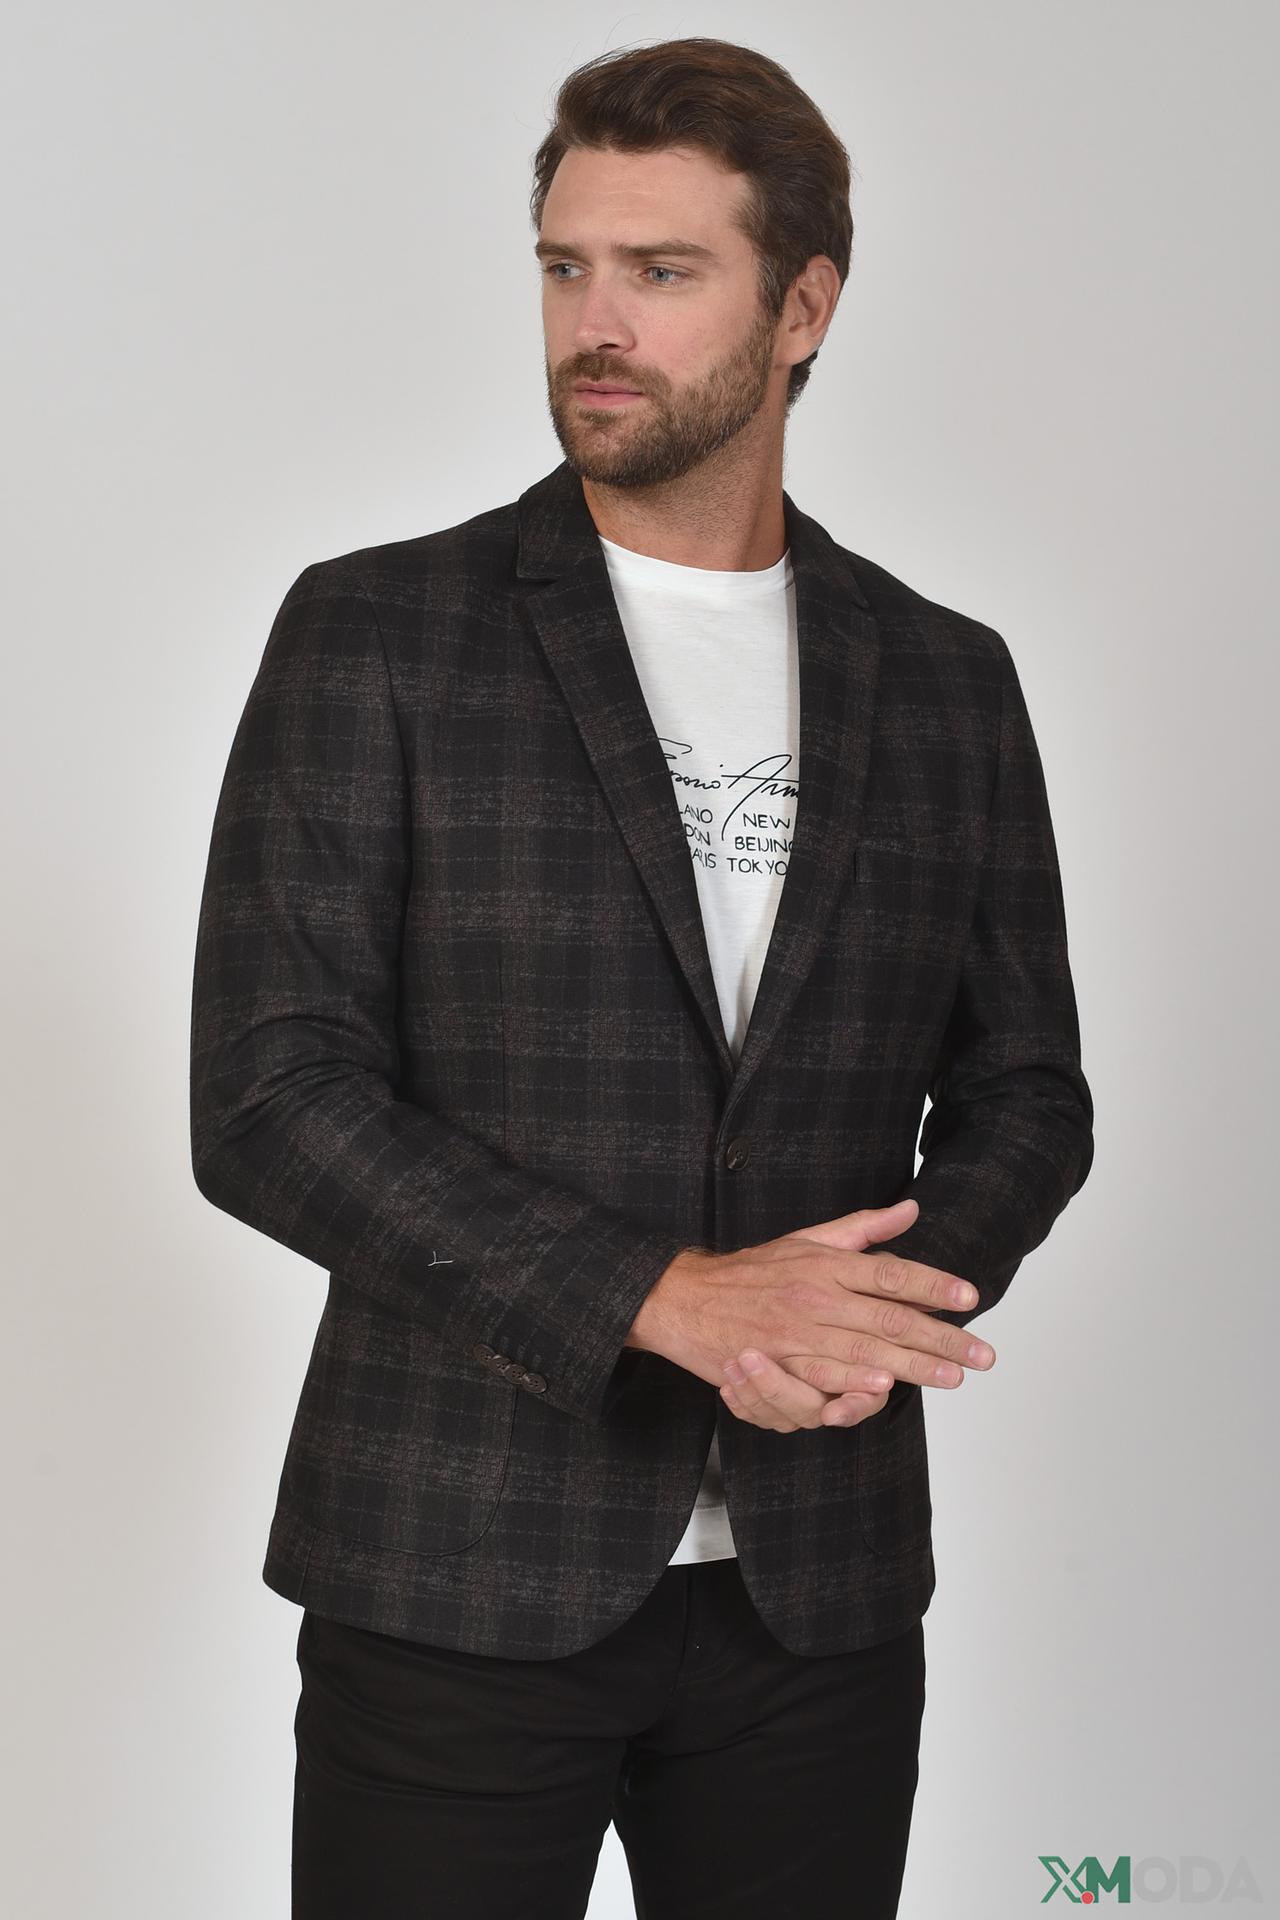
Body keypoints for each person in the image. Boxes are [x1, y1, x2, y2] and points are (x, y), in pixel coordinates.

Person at [189, 35, 1093, 1920]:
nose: (593, 324)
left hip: (818, 1599)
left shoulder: (946, 677)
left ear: (803, 308)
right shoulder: (378, 631)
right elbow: (272, 1098)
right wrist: (671, 1302)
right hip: (454, 1569)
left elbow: (1026, 1089)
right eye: (565, 267)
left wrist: (860, 1320)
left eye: (662, 272)